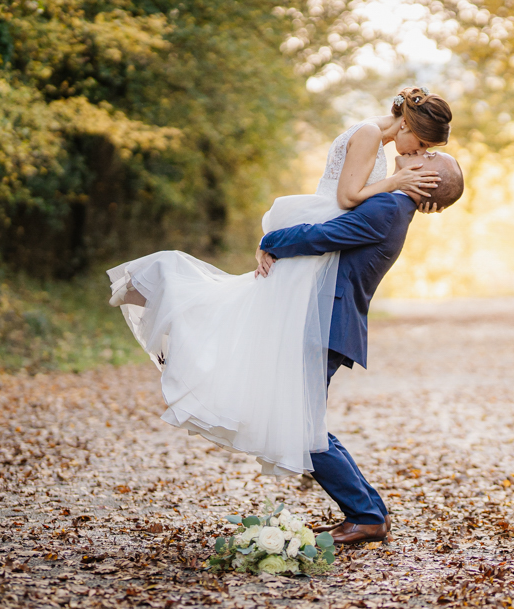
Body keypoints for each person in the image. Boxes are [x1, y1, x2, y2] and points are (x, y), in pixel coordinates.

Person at [105, 87, 453, 480]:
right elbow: (348, 195)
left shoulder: (380, 149)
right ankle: (165, 301)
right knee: (250, 311)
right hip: (325, 221)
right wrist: (395, 181)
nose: (417, 153)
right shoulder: (372, 135)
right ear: (406, 122)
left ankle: (164, 302)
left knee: (251, 309)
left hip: (325, 230)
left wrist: (398, 182)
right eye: (421, 142)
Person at [255, 149, 464, 544]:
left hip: (328, 324)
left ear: (428, 177)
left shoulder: (387, 206)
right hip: (329, 323)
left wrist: (269, 240)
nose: (419, 151)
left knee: (302, 427)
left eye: (430, 154)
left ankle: (366, 515)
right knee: (306, 421)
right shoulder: (391, 203)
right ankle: (371, 513)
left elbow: (322, 236)